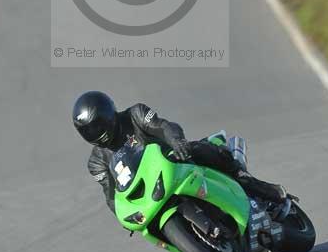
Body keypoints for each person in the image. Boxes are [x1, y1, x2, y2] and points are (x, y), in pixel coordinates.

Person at [73, 91, 286, 215]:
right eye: (89, 130)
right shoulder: (96, 162)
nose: (97, 132)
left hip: (177, 162)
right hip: (150, 193)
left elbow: (164, 126)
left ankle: (246, 179)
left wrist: (176, 141)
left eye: (98, 125)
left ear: (108, 113)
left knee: (196, 149)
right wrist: (124, 214)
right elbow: (111, 195)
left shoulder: (135, 114)